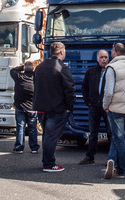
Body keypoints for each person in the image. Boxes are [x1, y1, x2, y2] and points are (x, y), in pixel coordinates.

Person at [33, 42, 75, 173]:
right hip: (57, 108)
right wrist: (69, 106)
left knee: (47, 135)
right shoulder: (62, 67)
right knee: (51, 137)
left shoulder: (39, 67)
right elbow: (69, 89)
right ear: (62, 52)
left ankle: (47, 162)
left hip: (41, 107)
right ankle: (49, 164)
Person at [102, 42, 125, 179]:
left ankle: (121, 169)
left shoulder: (112, 68)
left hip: (115, 109)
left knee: (119, 138)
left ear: (114, 53)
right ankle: (111, 159)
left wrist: (105, 106)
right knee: (119, 137)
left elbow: (108, 91)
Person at [79, 49, 109, 165]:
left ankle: (110, 158)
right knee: (93, 133)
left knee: (110, 133)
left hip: (107, 107)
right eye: (101, 57)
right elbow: (84, 87)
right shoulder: (91, 71)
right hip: (94, 106)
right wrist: (88, 101)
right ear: (97, 59)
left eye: (106, 57)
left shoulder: (112, 71)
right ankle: (90, 157)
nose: (103, 59)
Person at [10, 61, 39, 154]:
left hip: (20, 106)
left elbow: (12, 70)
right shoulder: (35, 78)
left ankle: (19, 147)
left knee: (20, 127)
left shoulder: (19, 77)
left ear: (24, 69)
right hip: (32, 108)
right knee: (32, 128)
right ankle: (34, 147)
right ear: (33, 69)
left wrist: (22, 67)